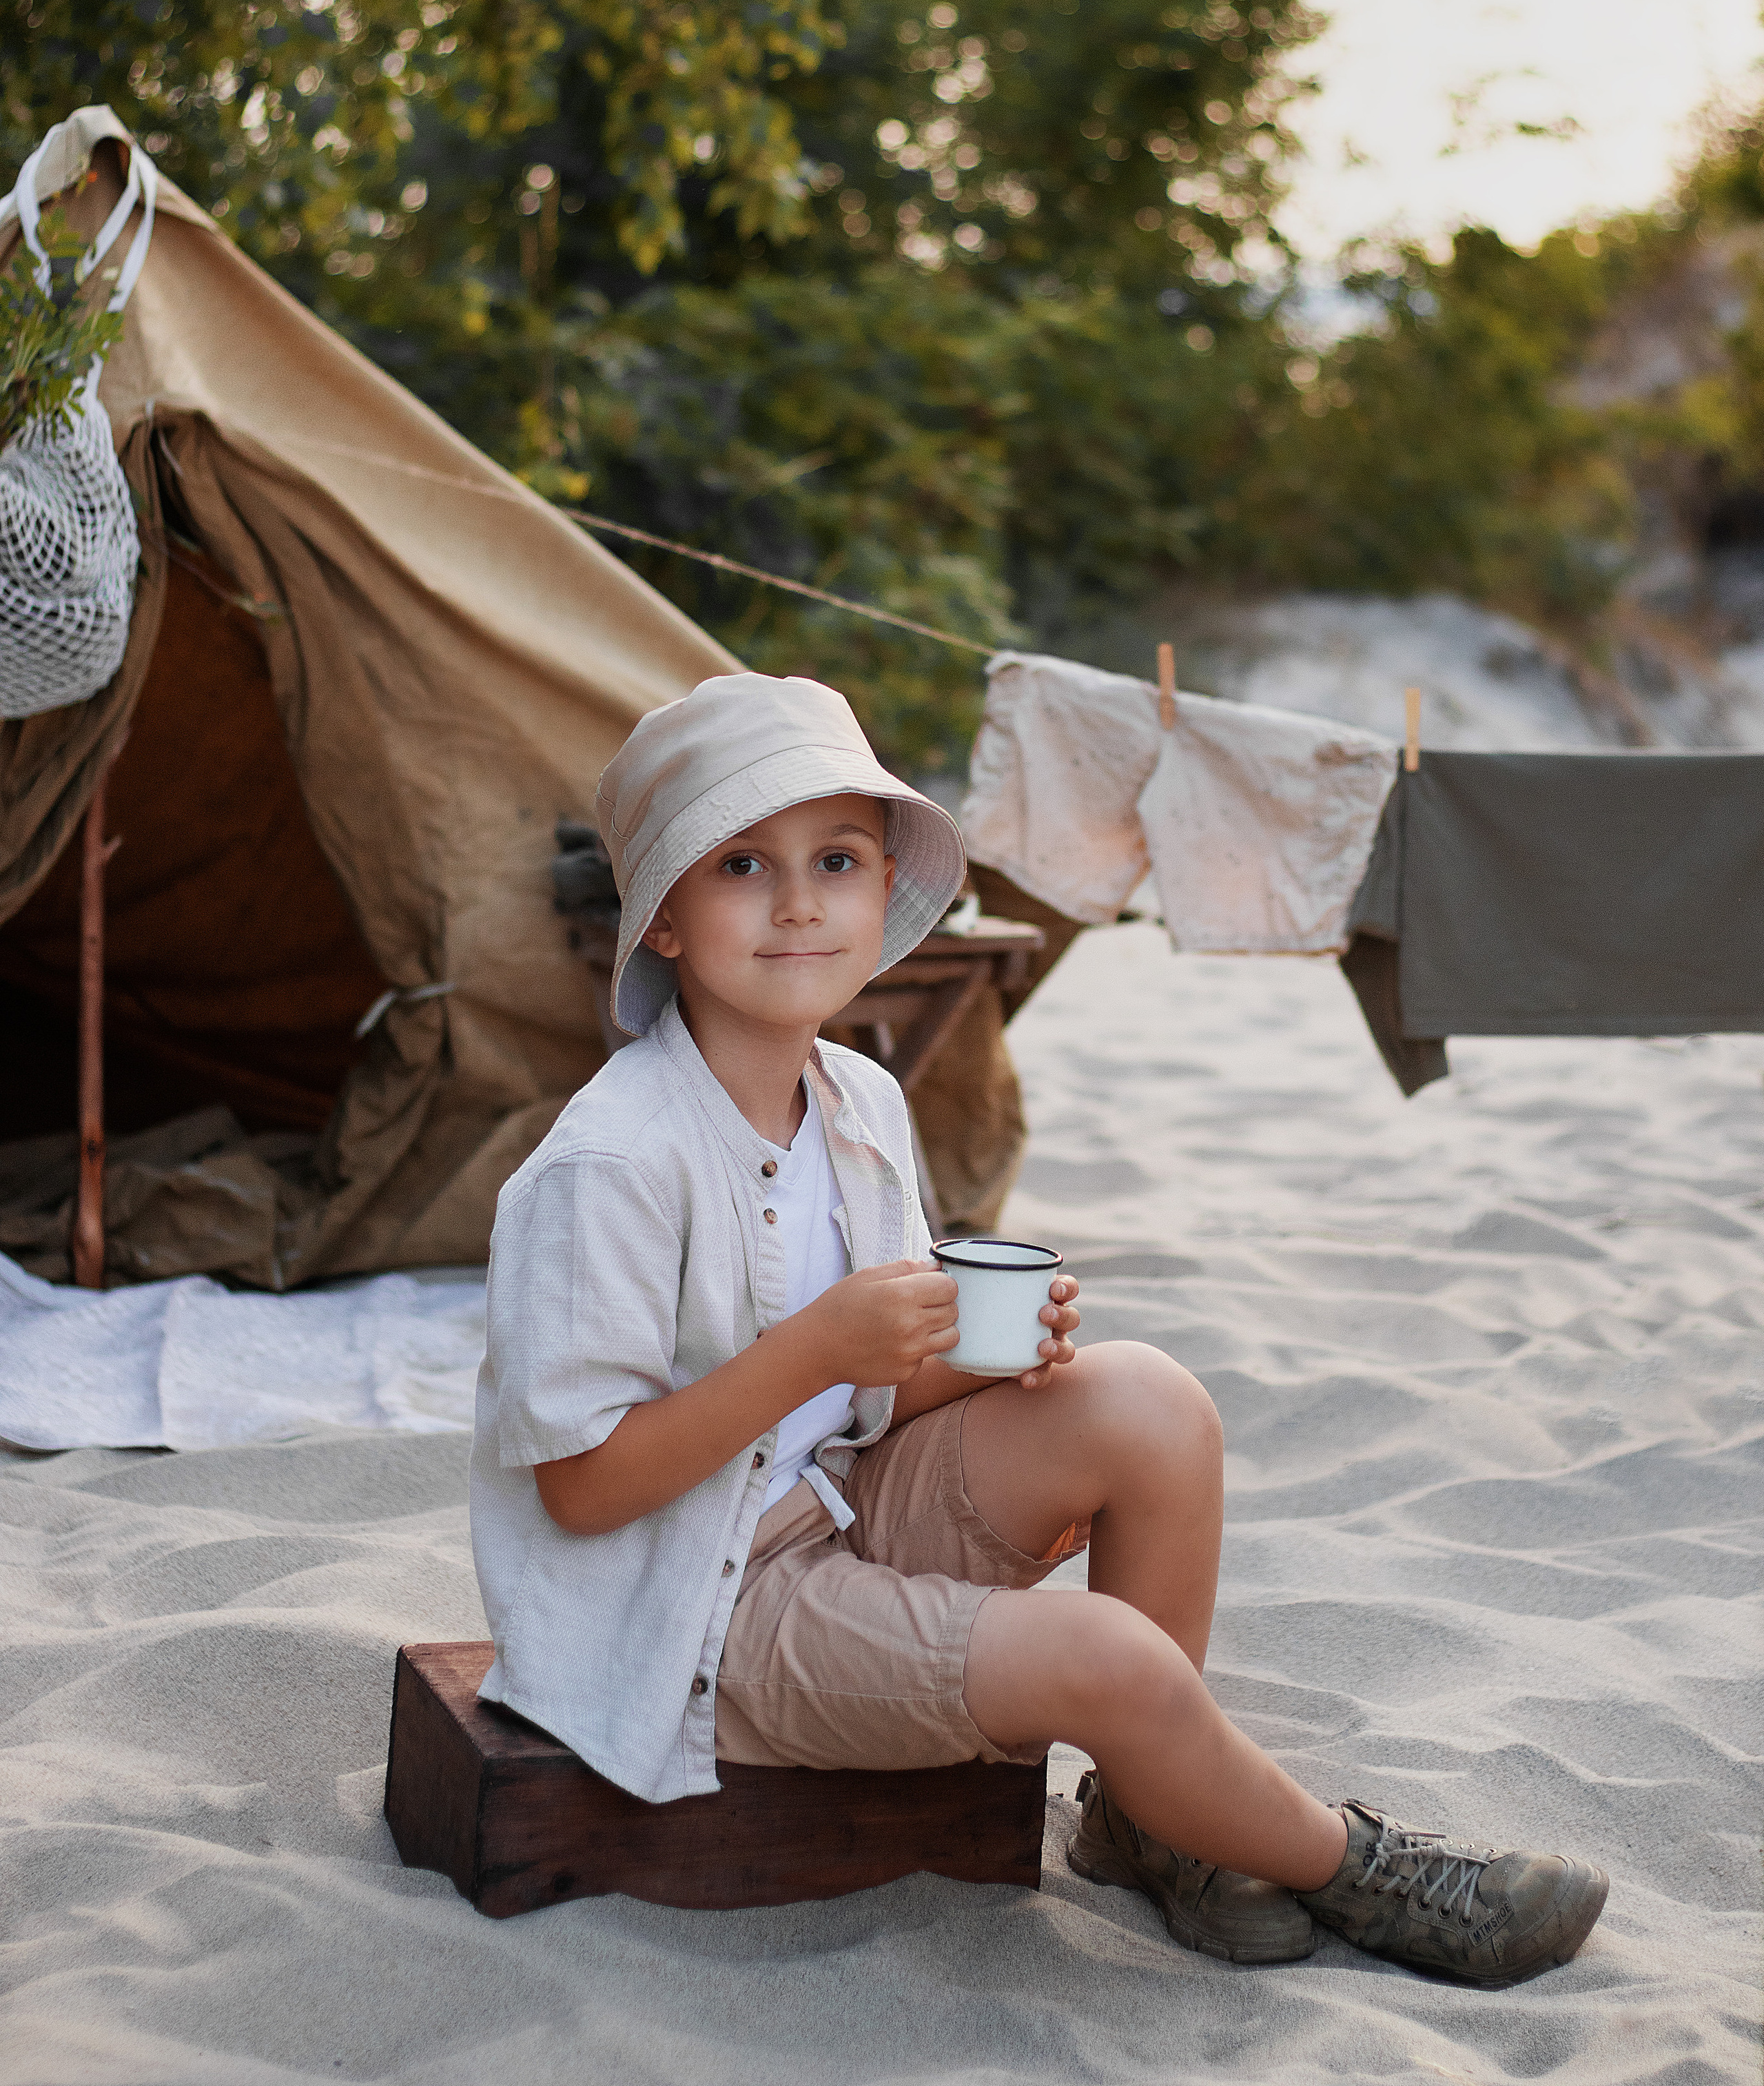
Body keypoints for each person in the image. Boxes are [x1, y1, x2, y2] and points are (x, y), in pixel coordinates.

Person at [469, 673, 1608, 1986]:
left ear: (880, 884)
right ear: (663, 915)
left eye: (837, 860)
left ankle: (1148, 1823)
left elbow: (855, 1402)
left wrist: (964, 1355)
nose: (798, 903)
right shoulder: (608, 1164)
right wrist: (825, 1346)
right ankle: (1365, 1872)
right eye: (741, 865)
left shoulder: (855, 1101)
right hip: (686, 1617)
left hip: (826, 1505)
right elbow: (582, 1489)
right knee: (1104, 1654)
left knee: (1150, 1402)